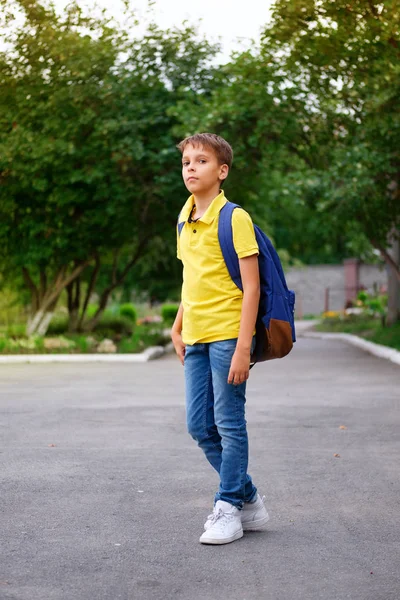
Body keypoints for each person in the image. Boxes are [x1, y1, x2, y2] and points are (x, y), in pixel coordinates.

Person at [171, 132, 269, 545]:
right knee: (199, 425)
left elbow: (252, 287)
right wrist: (177, 325)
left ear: (222, 170)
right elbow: (191, 278)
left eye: (201, 161)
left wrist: (244, 347)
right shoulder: (184, 216)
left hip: (229, 335)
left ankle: (228, 506)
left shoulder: (234, 218)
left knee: (229, 423)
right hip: (194, 336)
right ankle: (249, 497)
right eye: (186, 162)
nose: (191, 167)